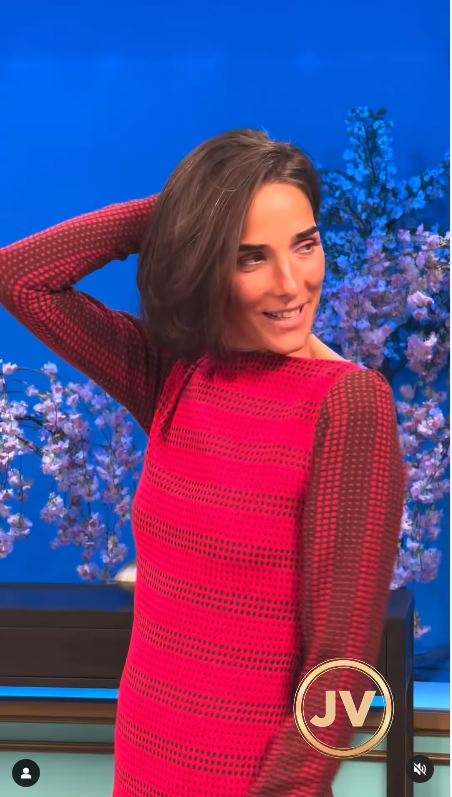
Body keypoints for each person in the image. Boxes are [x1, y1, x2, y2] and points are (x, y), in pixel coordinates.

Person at [0, 128, 406, 797]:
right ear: (206, 259)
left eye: (305, 244)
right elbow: (22, 279)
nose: (292, 283)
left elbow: (341, 673)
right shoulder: (176, 374)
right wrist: (181, 213)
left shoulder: (347, 406)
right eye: (251, 256)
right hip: (141, 763)